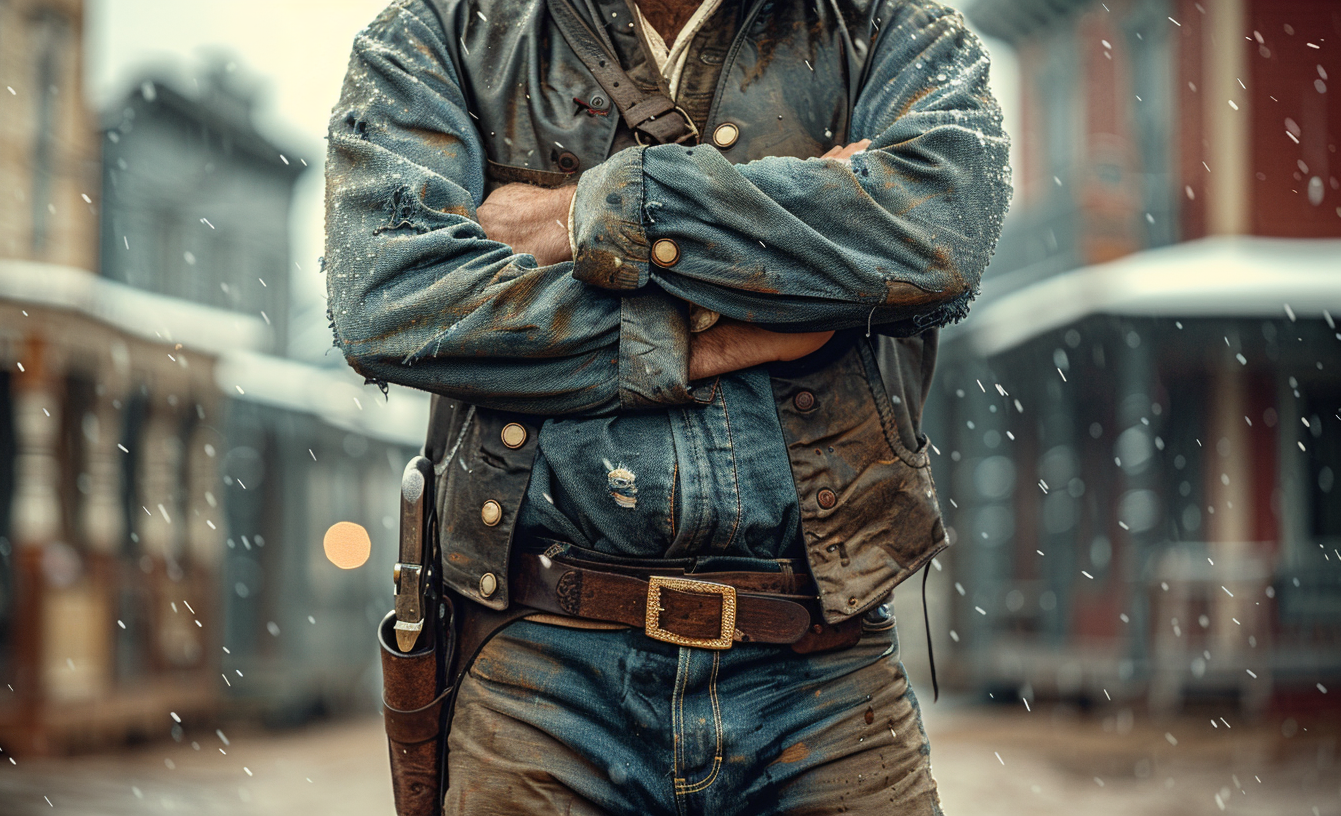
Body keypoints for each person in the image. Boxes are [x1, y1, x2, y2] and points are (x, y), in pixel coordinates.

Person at [325, 0, 1010, 811]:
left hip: (825, 663)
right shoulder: (438, 30)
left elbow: (935, 231)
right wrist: (702, 332)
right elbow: (392, 300)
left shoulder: (890, 25)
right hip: (536, 664)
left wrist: (588, 209)